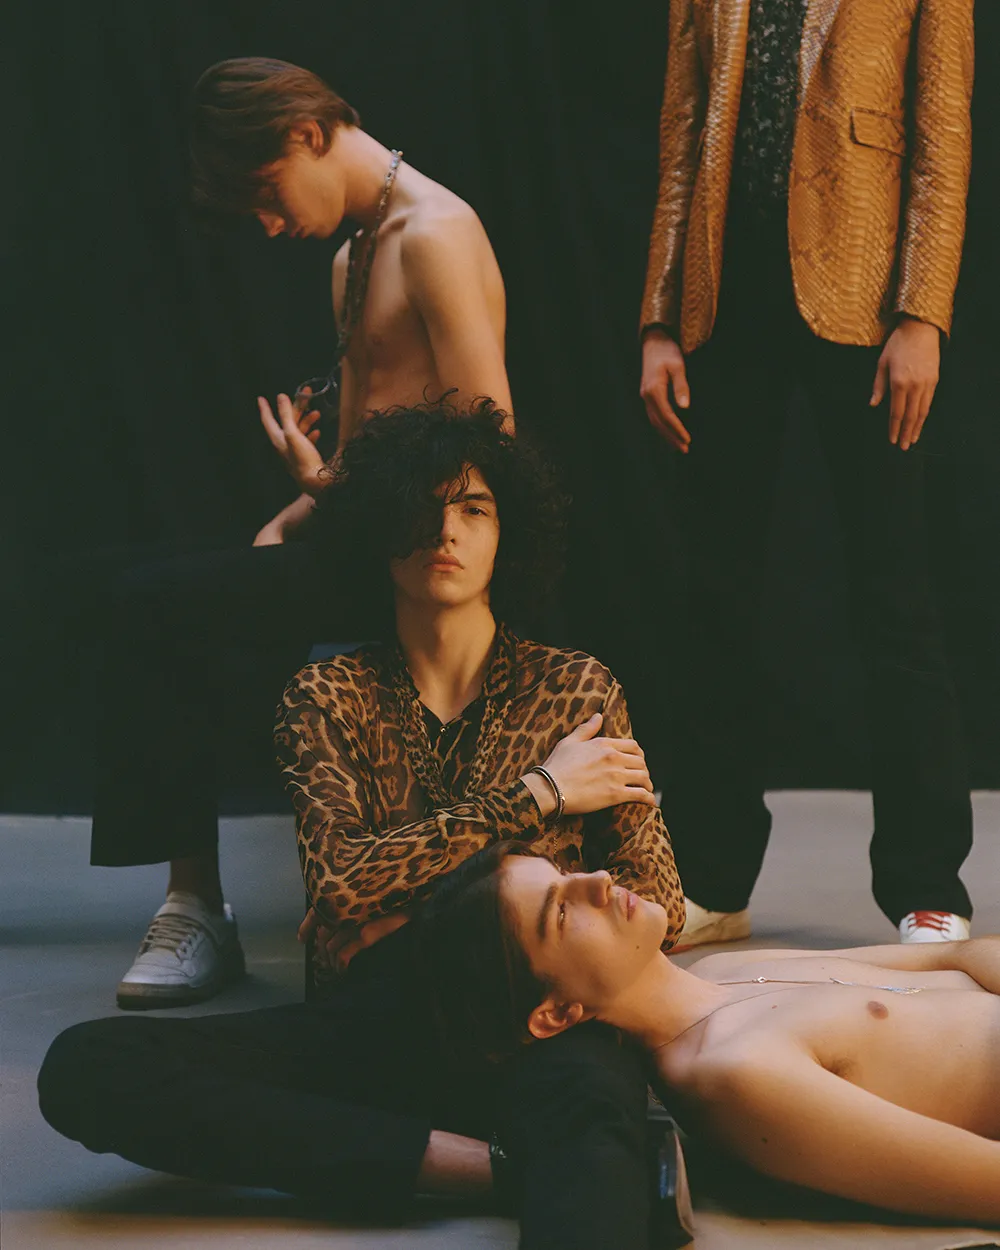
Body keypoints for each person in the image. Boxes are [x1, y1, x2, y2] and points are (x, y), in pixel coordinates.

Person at [41, 404, 692, 1250]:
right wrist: (538, 796)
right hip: (378, 1024)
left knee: (591, 1120)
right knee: (88, 1067)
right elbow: (344, 883)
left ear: (509, 535)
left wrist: (405, 911)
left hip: (535, 1015)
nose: (445, 531)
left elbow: (658, 904)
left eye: (473, 508)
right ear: (380, 531)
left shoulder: (576, 688)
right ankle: (493, 1166)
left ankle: (511, 1158)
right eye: (421, 508)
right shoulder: (327, 696)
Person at [95, 56, 513, 1008]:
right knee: (162, 597)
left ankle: (195, 905)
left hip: (430, 558)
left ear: (307, 134)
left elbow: (489, 443)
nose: (271, 225)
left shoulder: (435, 233)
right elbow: (369, 456)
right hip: (369, 538)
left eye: (267, 194)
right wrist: (301, 507)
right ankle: (197, 905)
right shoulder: (355, 255)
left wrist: (334, 494)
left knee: (151, 607)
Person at [638, 0, 976, 949]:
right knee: (715, 599)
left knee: (893, 598)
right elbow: (680, 139)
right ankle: (711, 877)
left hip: (862, 292)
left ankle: (926, 883)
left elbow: (942, 138)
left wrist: (923, 314)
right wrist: (659, 319)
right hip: (724, 298)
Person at [419, 842, 1000, 1226]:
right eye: (563, 912)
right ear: (556, 1013)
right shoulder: (736, 1072)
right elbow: (985, 1182)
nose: (597, 880)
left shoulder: (723, 969)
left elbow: (956, 953)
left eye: (567, 873)